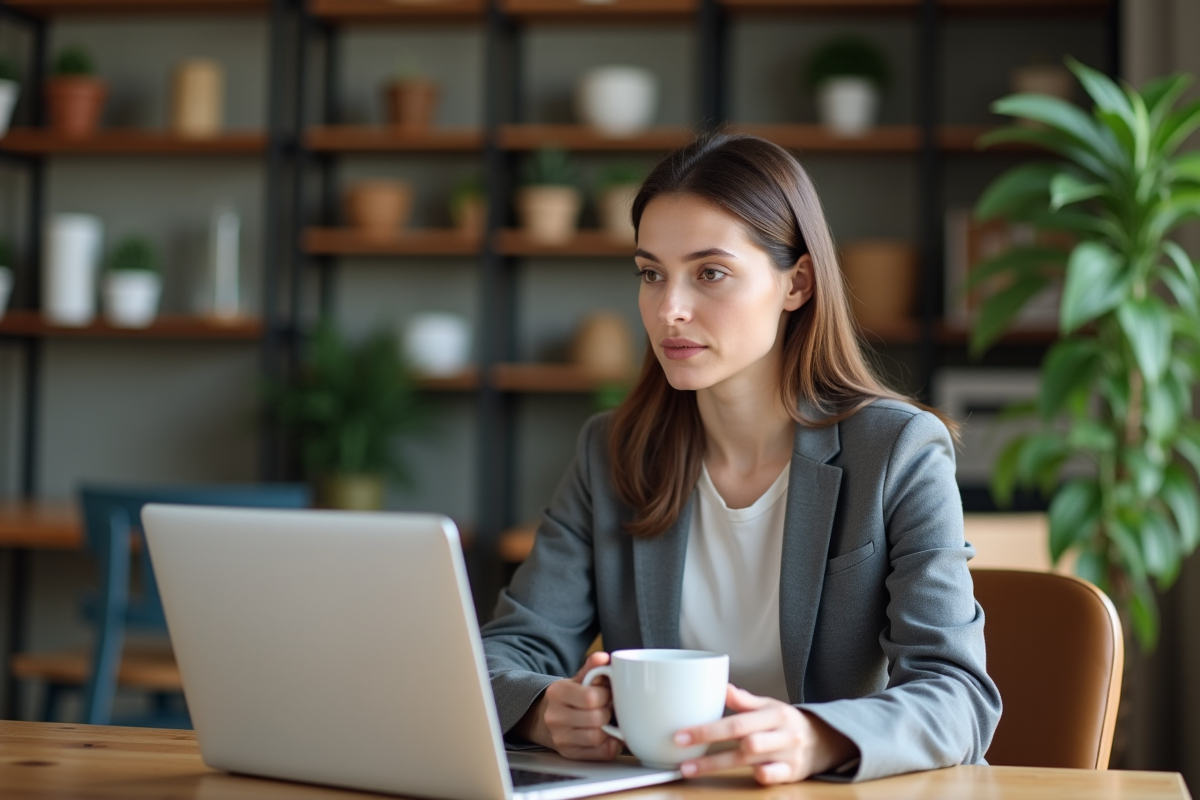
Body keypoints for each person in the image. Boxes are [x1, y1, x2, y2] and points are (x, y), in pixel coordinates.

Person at [480, 133, 1001, 784]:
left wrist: (817, 737)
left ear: (796, 283)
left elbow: (958, 696)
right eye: (651, 273)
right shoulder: (611, 453)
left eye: (710, 273)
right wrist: (545, 711)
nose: (669, 310)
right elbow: (503, 655)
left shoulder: (899, 451)